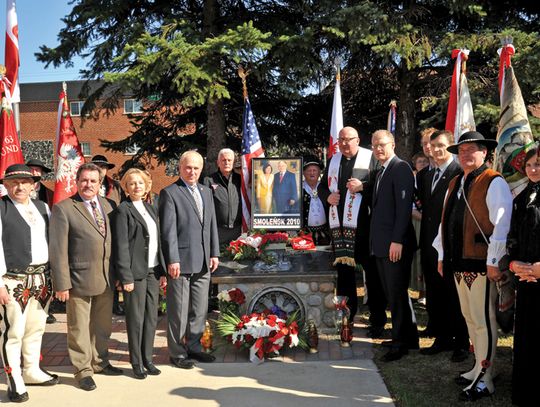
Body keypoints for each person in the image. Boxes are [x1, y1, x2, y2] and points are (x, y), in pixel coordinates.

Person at [434, 131, 512, 402]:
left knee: (484, 321)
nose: (465, 154)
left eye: (472, 150)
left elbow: (501, 224)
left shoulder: (494, 181)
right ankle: (478, 366)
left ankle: (486, 378)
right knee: (470, 319)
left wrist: (494, 261)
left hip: (481, 262)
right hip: (458, 261)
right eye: (462, 150)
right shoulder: (456, 181)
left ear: (484, 153)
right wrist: (442, 255)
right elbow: (446, 220)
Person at [49, 163, 123, 392]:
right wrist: (62, 283)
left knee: (102, 326)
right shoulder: (64, 208)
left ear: (100, 184)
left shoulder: (109, 205)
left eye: (93, 181)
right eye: (84, 180)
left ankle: (100, 362)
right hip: (78, 278)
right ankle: (83, 370)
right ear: (77, 181)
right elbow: (58, 249)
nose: (89, 184)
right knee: (79, 327)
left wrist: (119, 273)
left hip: (106, 277)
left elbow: (116, 243)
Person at [318, 126, 387, 337]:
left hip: (365, 228)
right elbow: (322, 187)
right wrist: (326, 197)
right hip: (339, 229)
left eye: (349, 140)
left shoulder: (370, 157)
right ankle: (347, 316)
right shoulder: (334, 160)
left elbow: (380, 185)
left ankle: (377, 320)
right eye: (341, 140)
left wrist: (363, 186)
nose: (345, 144)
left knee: (372, 276)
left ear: (358, 140)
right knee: (345, 275)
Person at [0, 164, 59, 403]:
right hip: (14, 279)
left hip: (42, 278)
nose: (20, 186)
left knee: (36, 328)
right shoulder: (1, 209)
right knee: (13, 332)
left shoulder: (43, 207)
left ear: (33, 184)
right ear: (5, 185)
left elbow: (51, 242)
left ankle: (32, 370)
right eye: (14, 182)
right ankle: (14, 378)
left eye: (24, 182)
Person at [159, 151, 220, 369]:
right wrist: (172, 259)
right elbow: (168, 231)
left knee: (200, 308)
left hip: (203, 261)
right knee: (179, 311)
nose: (192, 171)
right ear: (180, 168)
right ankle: (177, 353)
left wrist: (214, 252)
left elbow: (211, 224)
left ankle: (194, 347)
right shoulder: (170, 193)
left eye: (196, 168)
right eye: (188, 167)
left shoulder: (206, 192)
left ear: (201, 169)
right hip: (181, 262)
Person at [417, 130, 468, 362]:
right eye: (433, 145)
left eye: (441, 145)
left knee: (452, 295)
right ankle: (441, 335)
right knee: (435, 291)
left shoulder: (458, 172)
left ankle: (460, 341)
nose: (436, 149)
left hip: (449, 244)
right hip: (429, 243)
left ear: (450, 146)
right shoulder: (427, 175)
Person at [112, 168, 167, 380]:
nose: (137, 186)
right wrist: (125, 277)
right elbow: (121, 246)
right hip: (134, 274)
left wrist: (162, 271)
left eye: (140, 183)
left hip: (153, 271)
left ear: (147, 186)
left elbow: (158, 242)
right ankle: (136, 363)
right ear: (126, 187)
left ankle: (148, 359)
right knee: (135, 319)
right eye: (132, 183)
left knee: (151, 318)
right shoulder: (123, 211)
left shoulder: (151, 208)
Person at [370, 129, 419, 362]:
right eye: (375, 145)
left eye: (382, 144)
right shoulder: (381, 171)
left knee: (397, 294)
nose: (378, 149)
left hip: (395, 244)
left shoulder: (400, 168)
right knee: (393, 293)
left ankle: (400, 344)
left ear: (393, 144)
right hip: (381, 244)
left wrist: (397, 240)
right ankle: (409, 337)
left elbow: (403, 209)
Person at [504, 146, 540, 406]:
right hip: (526, 280)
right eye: (528, 166)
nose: (533, 169)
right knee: (527, 336)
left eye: (538, 164)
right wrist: (514, 263)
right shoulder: (521, 198)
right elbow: (512, 235)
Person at [90, 155, 126, 316]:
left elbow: (123, 205)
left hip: (113, 229)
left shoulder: (115, 186)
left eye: (103, 167)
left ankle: (115, 303)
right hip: (93, 231)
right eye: (97, 166)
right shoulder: (87, 185)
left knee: (114, 267)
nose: (100, 170)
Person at [26, 158, 57, 325]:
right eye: (31, 169)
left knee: (46, 277)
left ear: (42, 174)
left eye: (38, 170)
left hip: (45, 239)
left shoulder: (50, 195)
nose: (35, 172)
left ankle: (47, 309)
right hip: (24, 241)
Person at [203, 148, 242, 246]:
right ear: (218, 162)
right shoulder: (209, 181)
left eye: (229, 160)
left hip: (238, 231)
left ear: (233, 162)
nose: (227, 163)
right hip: (218, 231)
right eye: (223, 160)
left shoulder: (241, 180)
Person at [302, 156, 330, 245]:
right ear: (303, 173)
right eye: (309, 171)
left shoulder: (326, 188)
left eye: (315, 170)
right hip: (305, 234)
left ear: (319, 172)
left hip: (325, 233)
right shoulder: (298, 189)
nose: (312, 173)